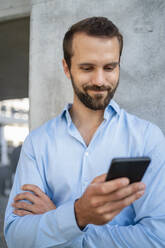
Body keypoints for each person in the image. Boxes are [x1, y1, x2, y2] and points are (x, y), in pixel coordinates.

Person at [4, 17, 165, 248]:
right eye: (87, 68)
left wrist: (70, 222)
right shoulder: (38, 143)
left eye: (109, 67)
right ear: (66, 68)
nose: (100, 81)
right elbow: (16, 237)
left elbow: (157, 238)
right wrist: (77, 215)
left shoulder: (148, 138)